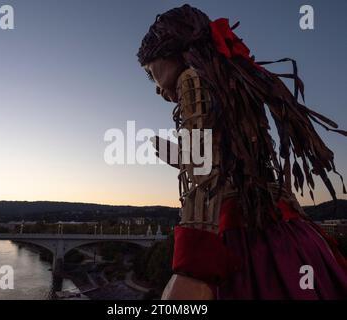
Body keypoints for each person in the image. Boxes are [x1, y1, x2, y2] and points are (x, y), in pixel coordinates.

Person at [137, 4, 347, 299]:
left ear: (173, 50)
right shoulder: (239, 87)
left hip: (242, 242)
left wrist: (191, 269)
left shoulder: (193, 84)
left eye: (150, 74)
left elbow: (203, 183)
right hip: (295, 238)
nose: (157, 89)